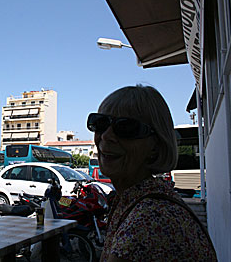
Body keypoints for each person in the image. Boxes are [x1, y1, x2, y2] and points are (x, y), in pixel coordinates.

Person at [87, 85, 217, 261]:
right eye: (100, 124)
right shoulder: (138, 201)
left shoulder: (149, 220)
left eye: (126, 127)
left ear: (155, 146)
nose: (106, 136)